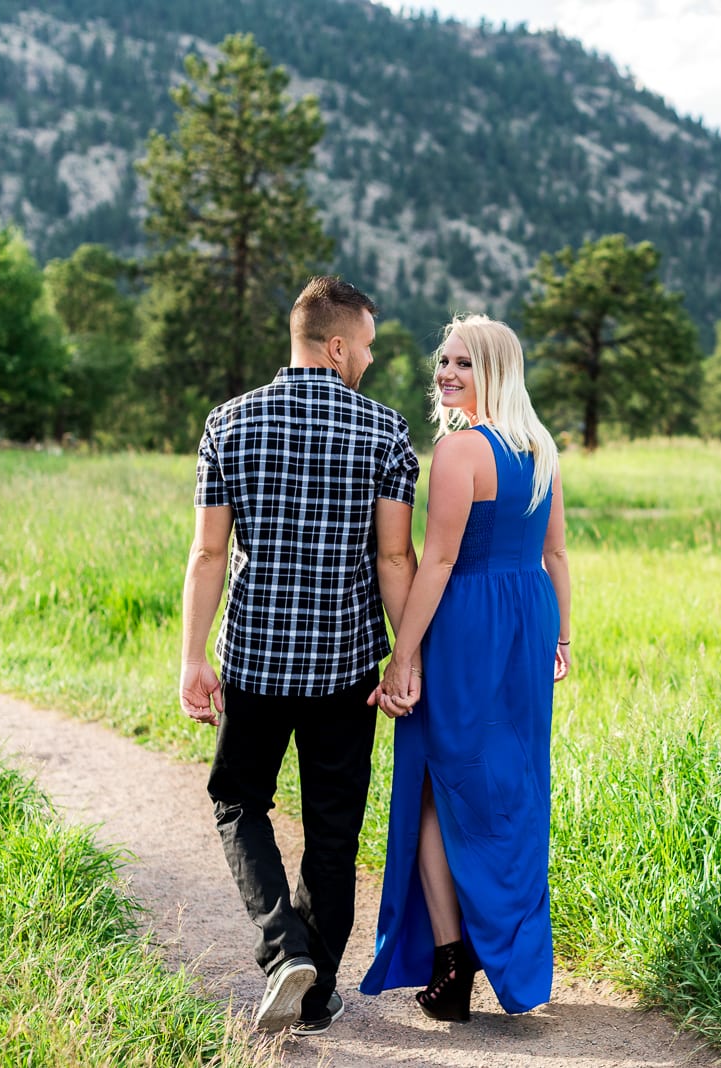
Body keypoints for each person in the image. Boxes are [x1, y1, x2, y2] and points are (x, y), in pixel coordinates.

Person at [178, 275, 421, 1036]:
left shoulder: (229, 422)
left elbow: (208, 551)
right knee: (334, 829)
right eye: (369, 347)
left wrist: (192, 655)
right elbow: (394, 559)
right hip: (345, 670)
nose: (371, 362)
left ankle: (284, 950)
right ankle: (314, 995)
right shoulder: (385, 432)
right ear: (338, 344)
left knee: (238, 802)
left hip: (252, 663)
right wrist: (402, 659)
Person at [359, 313, 572, 1022]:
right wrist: (562, 635)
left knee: (432, 784)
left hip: (469, 623)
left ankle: (453, 960)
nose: (445, 373)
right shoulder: (540, 447)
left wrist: (403, 655)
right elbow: (556, 557)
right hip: (526, 621)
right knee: (512, 784)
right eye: (443, 360)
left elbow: (441, 561)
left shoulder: (458, 453)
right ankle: (497, 943)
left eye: (464, 363)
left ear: (495, 371)